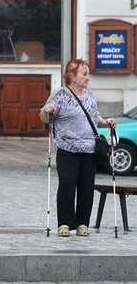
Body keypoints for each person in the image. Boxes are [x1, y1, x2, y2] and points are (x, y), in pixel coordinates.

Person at [40, 58, 117, 237]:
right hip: (67, 148)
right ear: (72, 76)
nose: (88, 77)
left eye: (88, 74)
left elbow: (93, 115)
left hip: (89, 149)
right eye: (84, 74)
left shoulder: (89, 94)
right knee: (67, 182)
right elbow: (44, 117)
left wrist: (106, 122)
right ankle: (65, 224)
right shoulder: (60, 95)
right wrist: (47, 110)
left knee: (86, 186)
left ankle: (83, 223)